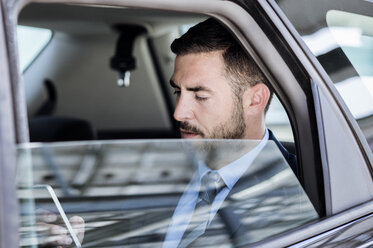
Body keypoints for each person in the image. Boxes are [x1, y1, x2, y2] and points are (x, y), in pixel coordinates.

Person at [163, 18, 297, 247]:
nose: (179, 113)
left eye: (200, 96)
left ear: (255, 101)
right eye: (178, 91)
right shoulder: (157, 169)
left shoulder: (300, 191)